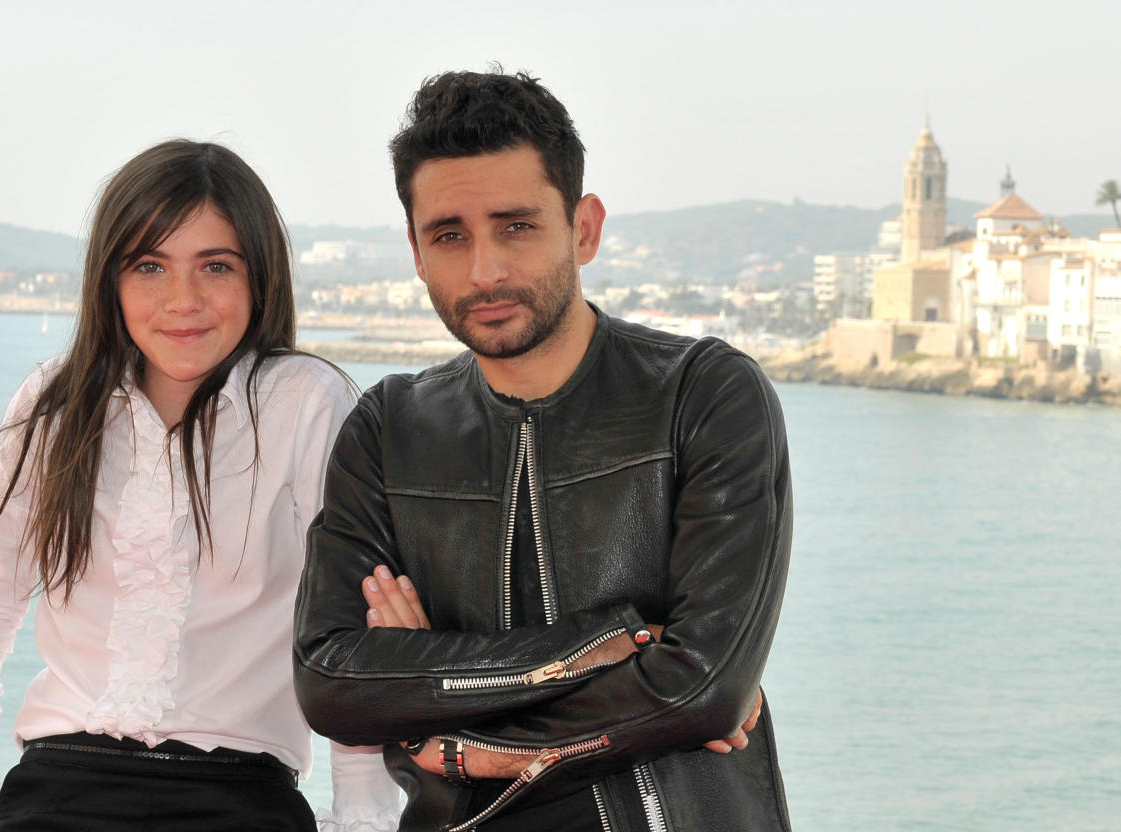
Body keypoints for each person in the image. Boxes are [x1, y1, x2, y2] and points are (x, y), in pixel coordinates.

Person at [294, 69, 794, 831]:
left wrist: (456, 726)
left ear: (584, 228)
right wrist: (606, 648)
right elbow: (331, 681)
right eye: (450, 235)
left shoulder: (705, 393)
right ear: (417, 252)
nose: (485, 270)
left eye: (516, 226)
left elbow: (705, 690)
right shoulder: (389, 428)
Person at [0, 140, 400, 832]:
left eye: (216, 266)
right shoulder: (53, 404)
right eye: (149, 266)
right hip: (54, 792)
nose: (183, 300)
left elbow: (352, 644)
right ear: (111, 279)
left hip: (240, 794)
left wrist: (364, 822)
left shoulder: (303, 402)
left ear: (260, 277)